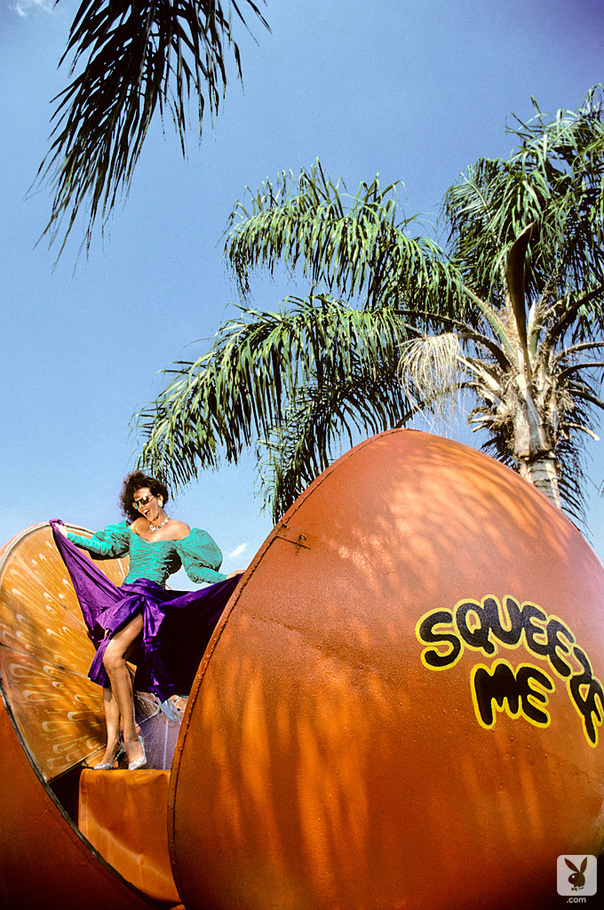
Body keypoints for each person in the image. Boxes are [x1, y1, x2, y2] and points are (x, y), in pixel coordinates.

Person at [51, 471, 242, 772]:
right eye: (137, 503)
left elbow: (197, 571)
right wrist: (66, 535)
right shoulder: (134, 528)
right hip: (123, 598)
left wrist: (224, 579)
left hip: (149, 599)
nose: (142, 507)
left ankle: (132, 740)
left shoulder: (180, 531)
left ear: (160, 497)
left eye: (146, 500)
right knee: (107, 670)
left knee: (114, 656)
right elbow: (105, 549)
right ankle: (112, 747)